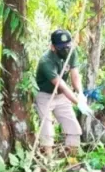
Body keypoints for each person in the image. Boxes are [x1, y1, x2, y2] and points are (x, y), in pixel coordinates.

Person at [35, 29, 93, 157]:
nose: (65, 50)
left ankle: (72, 158)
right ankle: (48, 161)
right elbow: (61, 84)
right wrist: (78, 103)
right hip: (45, 96)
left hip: (61, 96)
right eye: (61, 48)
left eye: (67, 46)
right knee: (47, 130)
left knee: (73, 128)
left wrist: (81, 93)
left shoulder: (71, 52)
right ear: (53, 47)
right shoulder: (46, 61)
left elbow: (75, 75)